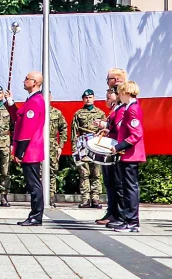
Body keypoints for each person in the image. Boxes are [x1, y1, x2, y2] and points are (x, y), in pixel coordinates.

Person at [5, 71, 46, 226]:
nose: (24, 81)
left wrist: (19, 152)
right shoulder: (31, 100)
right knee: (32, 184)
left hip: (30, 149)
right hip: (29, 149)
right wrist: (10, 103)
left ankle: (36, 216)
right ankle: (34, 215)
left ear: (34, 82)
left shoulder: (35, 101)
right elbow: (18, 119)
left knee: (34, 184)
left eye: (27, 79)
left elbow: (26, 130)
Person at [109, 80, 145, 232]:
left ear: (126, 93)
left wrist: (118, 147)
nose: (119, 96)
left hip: (131, 154)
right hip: (128, 154)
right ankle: (128, 219)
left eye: (120, 93)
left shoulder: (132, 109)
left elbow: (136, 134)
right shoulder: (130, 108)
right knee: (127, 187)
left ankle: (132, 221)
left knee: (130, 188)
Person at [96, 68, 127, 225]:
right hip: (110, 147)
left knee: (117, 183)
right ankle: (111, 212)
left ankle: (119, 215)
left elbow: (121, 128)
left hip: (116, 149)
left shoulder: (122, 104)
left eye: (108, 79)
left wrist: (106, 126)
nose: (107, 82)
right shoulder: (116, 106)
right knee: (109, 182)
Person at [71, 89, 106, 208]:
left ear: (94, 98)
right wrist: (74, 148)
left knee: (96, 172)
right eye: (86, 97)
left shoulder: (100, 113)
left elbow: (105, 130)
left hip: (96, 144)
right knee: (84, 173)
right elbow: (74, 132)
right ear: (83, 99)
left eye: (90, 97)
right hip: (83, 145)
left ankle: (96, 199)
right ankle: (85, 199)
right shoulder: (78, 113)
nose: (88, 99)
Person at [48, 93, 67, 203]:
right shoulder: (37, 111)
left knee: (52, 171)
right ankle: (40, 197)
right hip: (39, 144)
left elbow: (63, 129)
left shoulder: (56, 113)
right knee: (38, 172)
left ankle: (50, 196)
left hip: (52, 145)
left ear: (51, 97)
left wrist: (60, 146)